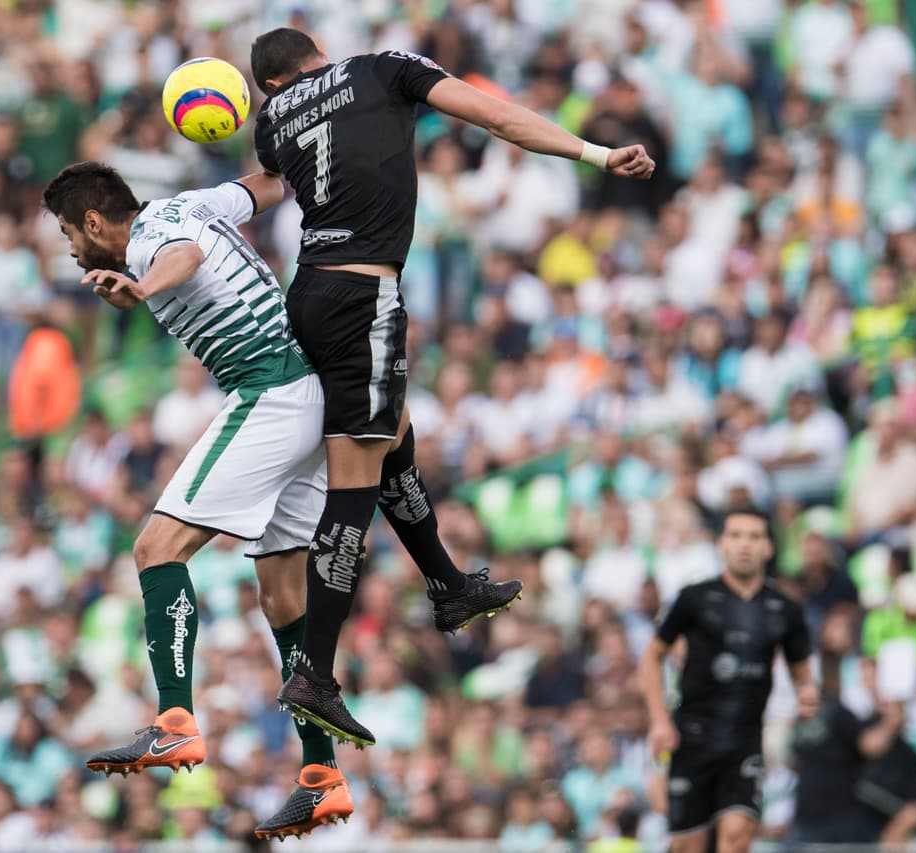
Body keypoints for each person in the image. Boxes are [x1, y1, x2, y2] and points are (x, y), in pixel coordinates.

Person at [39, 162, 514, 839]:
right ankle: (321, 776)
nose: (70, 248)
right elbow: (266, 187)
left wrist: (142, 288)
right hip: (313, 399)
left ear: (93, 222)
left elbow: (183, 256)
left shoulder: (148, 241)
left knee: (155, 549)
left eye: (68, 233)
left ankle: (175, 720)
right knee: (282, 596)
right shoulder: (193, 202)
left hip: (272, 392)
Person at [248, 27, 654, 742]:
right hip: (365, 293)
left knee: (394, 435)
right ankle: (314, 669)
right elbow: (496, 115)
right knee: (353, 486)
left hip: (307, 291)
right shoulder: (383, 69)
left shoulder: (272, 118)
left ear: (272, 83)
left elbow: (274, 179)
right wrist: (595, 154)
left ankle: (448, 584)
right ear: (317, 54)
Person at [638, 506, 818, 853]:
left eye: (754, 536)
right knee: (688, 846)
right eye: (735, 536)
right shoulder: (694, 598)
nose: (744, 545)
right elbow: (651, 656)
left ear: (768, 547)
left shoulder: (784, 608)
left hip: (745, 741)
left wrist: (806, 692)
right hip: (691, 738)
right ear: (721, 544)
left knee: (736, 838)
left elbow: (801, 669)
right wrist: (659, 720)